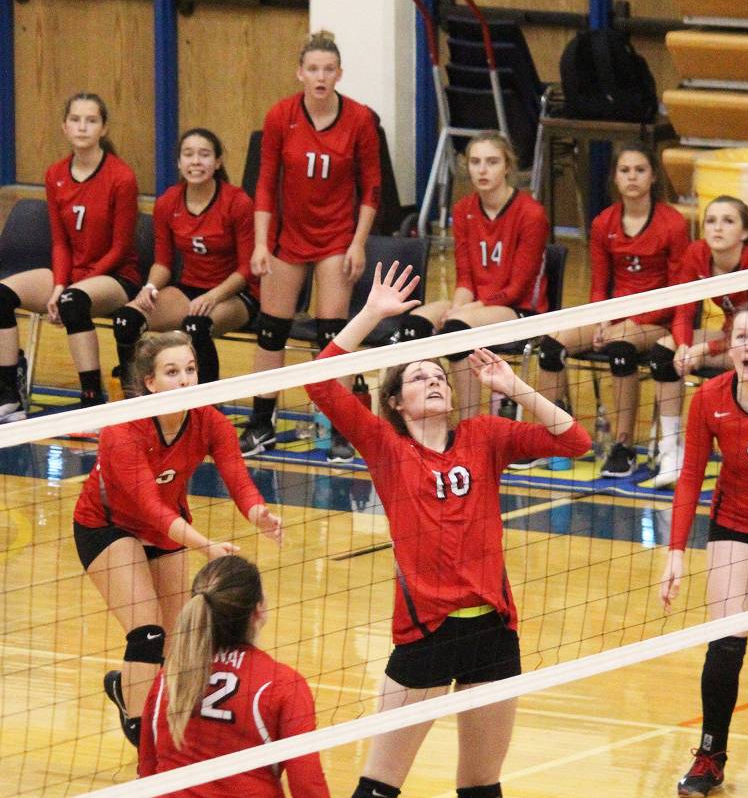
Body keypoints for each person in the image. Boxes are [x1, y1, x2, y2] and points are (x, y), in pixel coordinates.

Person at [306, 261, 592, 798]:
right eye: (418, 377)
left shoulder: (484, 435)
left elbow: (575, 442)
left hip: (493, 632)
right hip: (426, 633)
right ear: (395, 402)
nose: (433, 380)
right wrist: (369, 313)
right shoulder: (387, 448)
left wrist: (515, 385)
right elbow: (320, 384)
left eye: (438, 375)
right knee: (378, 785)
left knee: (482, 786)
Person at [72, 331, 282, 748]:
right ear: (150, 383)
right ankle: (141, 731)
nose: (186, 380)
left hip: (166, 531)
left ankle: (126, 691)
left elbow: (238, 477)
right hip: (108, 527)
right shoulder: (123, 428)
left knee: (176, 640)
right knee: (147, 632)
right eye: (173, 372)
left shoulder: (208, 420)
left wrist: (259, 513)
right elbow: (149, 506)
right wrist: (205, 546)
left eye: (190, 370)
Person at [660, 304, 748, 796]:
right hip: (734, 522)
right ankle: (710, 755)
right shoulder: (710, 398)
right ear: (731, 347)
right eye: (742, 337)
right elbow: (690, 477)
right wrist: (675, 550)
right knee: (726, 640)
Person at [239, 30, 381, 462]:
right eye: (313, 69)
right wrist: (261, 243)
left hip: (337, 236)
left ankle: (341, 427)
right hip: (290, 236)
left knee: (331, 337)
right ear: (300, 72)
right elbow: (265, 184)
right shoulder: (281, 116)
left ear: (339, 74)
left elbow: (372, 188)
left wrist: (358, 244)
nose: (320, 77)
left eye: (328, 69)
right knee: (271, 332)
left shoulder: (359, 119)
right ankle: (262, 424)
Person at [536, 142, 688, 478]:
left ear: (652, 178)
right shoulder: (604, 222)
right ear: (615, 179)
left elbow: (679, 292)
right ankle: (555, 435)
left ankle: (624, 446)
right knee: (551, 347)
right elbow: (599, 284)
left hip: (657, 319)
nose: (632, 177)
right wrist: (602, 319)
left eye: (640, 170)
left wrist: (632, 322)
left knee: (621, 349)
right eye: (625, 171)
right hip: (616, 313)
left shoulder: (673, 224)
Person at [390, 131, 549, 424]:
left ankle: (469, 425)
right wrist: (459, 305)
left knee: (456, 329)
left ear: (507, 167)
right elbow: (465, 276)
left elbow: (517, 288)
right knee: (413, 327)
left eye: (492, 162)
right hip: (475, 306)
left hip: (519, 310)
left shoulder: (531, 214)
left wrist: (466, 311)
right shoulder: (463, 210)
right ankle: (426, 418)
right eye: (475, 162)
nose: (483, 169)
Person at [138, 555, 329, 798]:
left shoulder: (171, 679)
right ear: (258, 610)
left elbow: (147, 771)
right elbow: (307, 786)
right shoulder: (283, 684)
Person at [0, 92, 140, 419]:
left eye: (91, 120)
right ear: (64, 127)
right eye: (75, 120)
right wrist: (60, 284)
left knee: (73, 303)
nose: (82, 127)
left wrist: (68, 289)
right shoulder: (55, 175)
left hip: (116, 276)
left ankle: (91, 400)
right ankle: (8, 392)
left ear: (103, 128)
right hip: (71, 273)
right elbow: (60, 243)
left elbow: (120, 249)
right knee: (1, 295)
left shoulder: (121, 177)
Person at [648, 195, 748, 487]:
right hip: (733, 338)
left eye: (728, 221)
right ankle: (671, 450)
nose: (717, 228)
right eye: (711, 221)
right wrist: (684, 345)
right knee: (664, 351)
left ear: (745, 232)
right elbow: (682, 310)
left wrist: (704, 348)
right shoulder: (696, 254)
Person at [111, 128, 259, 390]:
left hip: (236, 294)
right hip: (189, 289)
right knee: (127, 320)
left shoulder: (237, 202)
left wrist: (213, 296)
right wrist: (150, 288)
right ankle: (134, 402)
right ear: (179, 162)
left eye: (204, 155)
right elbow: (163, 264)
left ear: (217, 162)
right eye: (188, 155)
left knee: (196, 326)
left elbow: (247, 268)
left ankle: (207, 409)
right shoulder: (168, 202)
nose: (196, 162)